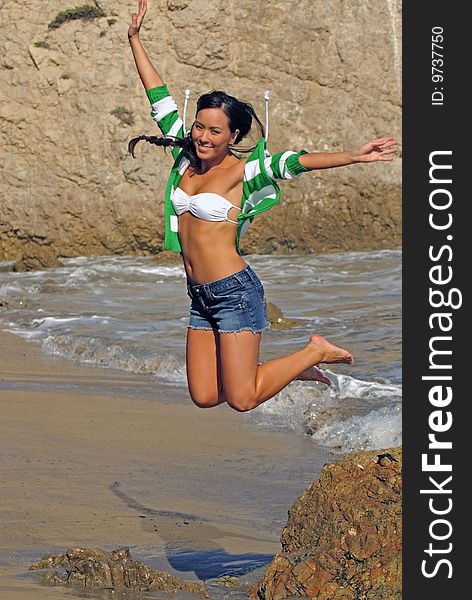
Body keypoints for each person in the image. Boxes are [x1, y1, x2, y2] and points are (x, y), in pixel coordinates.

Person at [127, 0, 398, 412]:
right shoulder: (184, 156)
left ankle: (312, 353)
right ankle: (288, 369)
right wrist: (134, 39)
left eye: (215, 131)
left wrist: (354, 155)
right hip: (199, 294)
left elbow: (296, 162)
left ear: (232, 133)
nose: (203, 136)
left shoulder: (245, 171)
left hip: (235, 293)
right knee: (203, 396)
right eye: (199, 125)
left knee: (243, 399)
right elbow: (159, 97)